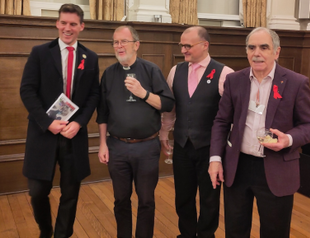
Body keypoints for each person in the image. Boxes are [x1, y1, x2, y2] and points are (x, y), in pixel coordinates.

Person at [208, 27, 310, 238]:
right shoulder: (234, 80)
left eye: (264, 47)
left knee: (275, 232)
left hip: (276, 167)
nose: (256, 53)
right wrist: (215, 159)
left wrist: (288, 139)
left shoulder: (296, 83)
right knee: (235, 230)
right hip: (238, 167)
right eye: (251, 47)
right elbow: (221, 121)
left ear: (276, 52)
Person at [20, 4, 99, 238]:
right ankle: (46, 231)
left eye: (73, 24)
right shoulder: (40, 53)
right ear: (57, 23)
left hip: (73, 135)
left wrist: (80, 123)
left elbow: (94, 94)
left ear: (81, 27)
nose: (67, 28)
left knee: (70, 191)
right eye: (63, 23)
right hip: (43, 133)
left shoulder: (90, 57)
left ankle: (62, 235)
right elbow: (27, 91)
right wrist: (47, 122)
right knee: (37, 191)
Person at [97, 25, 174, 238]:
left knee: (146, 200)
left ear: (136, 45)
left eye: (123, 41)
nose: (119, 46)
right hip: (117, 147)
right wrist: (103, 143)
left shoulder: (151, 70)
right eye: (115, 42)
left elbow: (167, 104)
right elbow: (102, 113)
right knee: (121, 200)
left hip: (147, 147)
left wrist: (143, 93)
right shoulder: (109, 74)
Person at [160, 26, 234, 238]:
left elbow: (231, 116)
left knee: (210, 197)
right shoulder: (176, 71)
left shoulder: (224, 73)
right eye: (181, 45)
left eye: (188, 46)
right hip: (183, 145)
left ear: (205, 45)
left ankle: (206, 234)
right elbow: (171, 108)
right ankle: (186, 234)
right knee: (183, 196)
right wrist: (164, 133)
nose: (183, 50)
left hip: (210, 149)